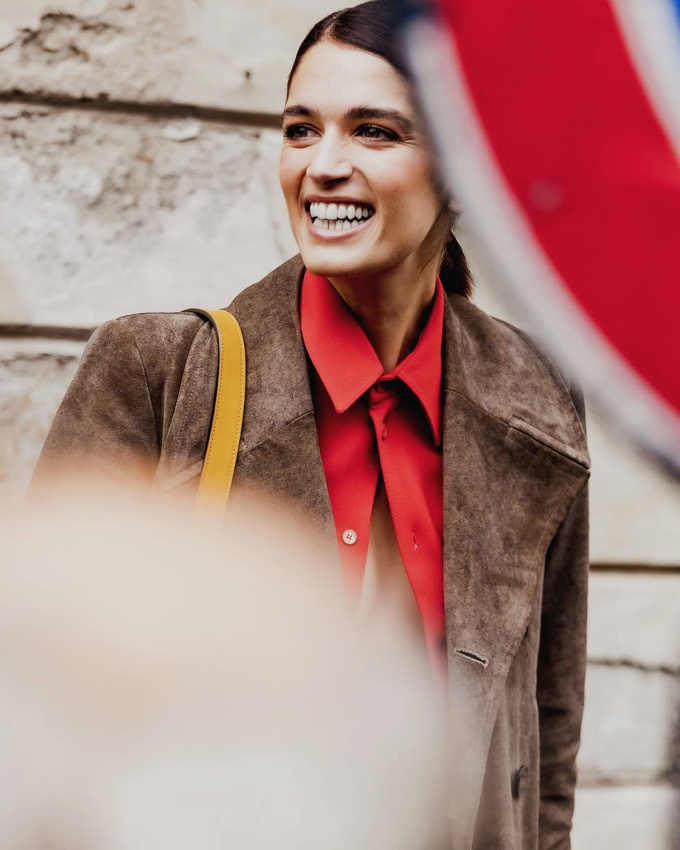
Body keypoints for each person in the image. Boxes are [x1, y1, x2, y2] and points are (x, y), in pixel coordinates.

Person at [32, 2, 590, 848]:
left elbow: (548, 734)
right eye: (301, 129)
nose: (323, 165)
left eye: (374, 132)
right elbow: (47, 703)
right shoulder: (153, 373)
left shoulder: (540, 397)